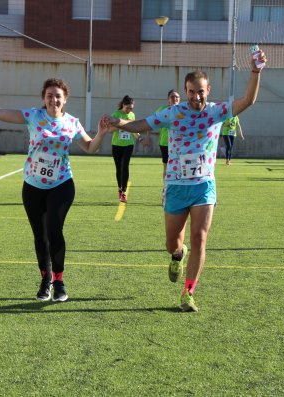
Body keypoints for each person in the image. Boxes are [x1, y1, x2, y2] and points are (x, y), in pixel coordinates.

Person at [104, 49, 267, 312]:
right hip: (176, 186)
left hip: (203, 186)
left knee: (200, 237)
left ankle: (188, 292)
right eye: (191, 91)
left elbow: (247, 100)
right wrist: (118, 123)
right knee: (172, 242)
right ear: (186, 91)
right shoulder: (174, 112)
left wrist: (256, 71)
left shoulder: (217, 112)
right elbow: (144, 124)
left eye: (200, 91)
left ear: (208, 90)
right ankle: (178, 256)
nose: (196, 96)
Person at [0, 76, 110, 302]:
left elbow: (90, 147)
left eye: (58, 96)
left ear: (65, 100)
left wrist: (102, 133)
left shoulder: (72, 123)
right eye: (49, 95)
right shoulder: (33, 116)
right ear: (43, 98)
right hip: (33, 186)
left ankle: (59, 281)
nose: (54, 99)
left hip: (62, 184)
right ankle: (45, 281)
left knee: (54, 230)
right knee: (40, 235)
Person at [110, 95, 138, 203]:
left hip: (128, 144)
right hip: (116, 145)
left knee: (125, 166)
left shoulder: (132, 115)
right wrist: (122, 124)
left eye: (131, 108)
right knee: (119, 168)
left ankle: (123, 192)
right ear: (123, 105)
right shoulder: (116, 114)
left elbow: (134, 129)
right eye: (128, 108)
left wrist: (140, 138)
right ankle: (119, 189)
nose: (129, 110)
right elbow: (110, 129)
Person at [147, 90, 181, 177]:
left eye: (177, 97)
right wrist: (147, 137)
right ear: (168, 99)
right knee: (166, 167)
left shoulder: (183, 110)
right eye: (172, 97)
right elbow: (151, 122)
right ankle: (165, 188)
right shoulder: (162, 110)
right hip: (165, 143)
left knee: (180, 167)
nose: (175, 98)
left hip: (179, 143)